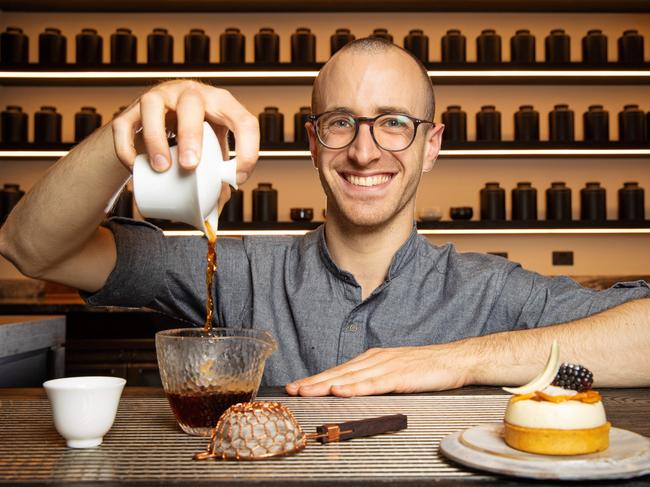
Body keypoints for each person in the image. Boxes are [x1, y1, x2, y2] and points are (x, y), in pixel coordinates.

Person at [1, 38, 649, 397]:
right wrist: (125, 131)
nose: (365, 150)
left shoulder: (491, 290)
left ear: (431, 144)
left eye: (394, 123)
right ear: (314, 140)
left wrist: (461, 360)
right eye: (342, 123)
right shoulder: (239, 269)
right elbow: (31, 247)